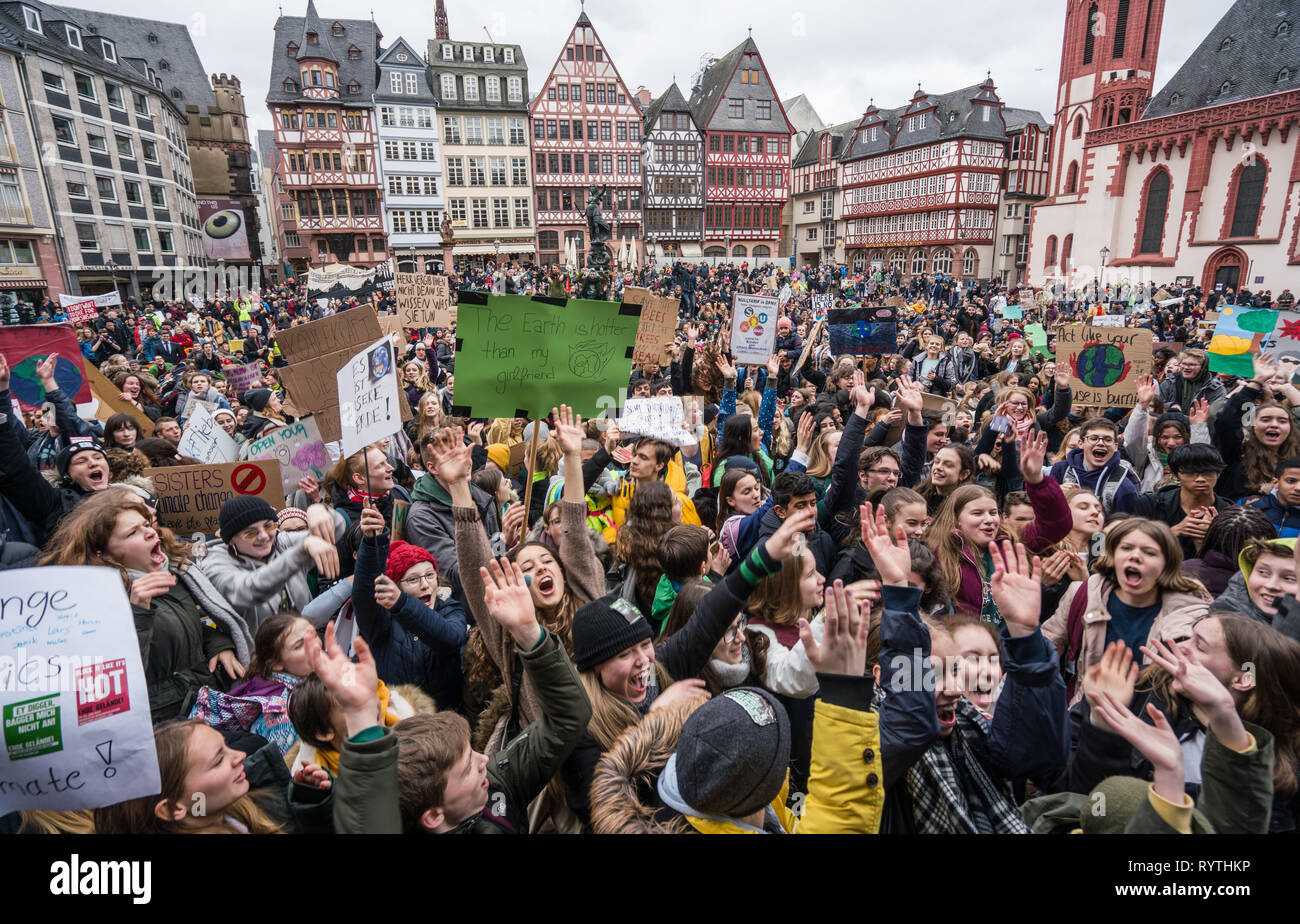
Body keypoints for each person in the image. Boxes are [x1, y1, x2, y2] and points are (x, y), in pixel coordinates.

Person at [39, 489, 254, 724]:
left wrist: (217, 645)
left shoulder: (171, 572)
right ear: (106, 556)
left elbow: (190, 625)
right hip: (164, 724)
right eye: (133, 532)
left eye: (145, 524)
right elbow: (114, 681)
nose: (151, 533)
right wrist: (138, 611)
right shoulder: (93, 606)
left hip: (205, 702)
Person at [1043, 517, 1212, 705]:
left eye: (1149, 552)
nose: (1135, 556)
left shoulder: (1194, 614)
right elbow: (1044, 650)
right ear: (1113, 556)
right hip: (1085, 717)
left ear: (1167, 563)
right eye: (1126, 548)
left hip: (1153, 724)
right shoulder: (1084, 594)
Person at [198, 496, 341, 632]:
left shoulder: (281, 542)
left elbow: (337, 529)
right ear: (231, 540)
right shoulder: (214, 562)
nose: (264, 536)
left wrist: (319, 510)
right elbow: (248, 590)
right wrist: (302, 550)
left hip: (305, 646)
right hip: (256, 655)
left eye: (268, 526)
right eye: (251, 533)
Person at [1048, 417, 1139, 516]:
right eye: (1094, 438)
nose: (1100, 443)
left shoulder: (1125, 488)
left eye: (1108, 440)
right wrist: (1054, 494)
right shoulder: (1061, 470)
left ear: (1115, 447)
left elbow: (1123, 528)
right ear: (1081, 443)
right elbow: (1044, 510)